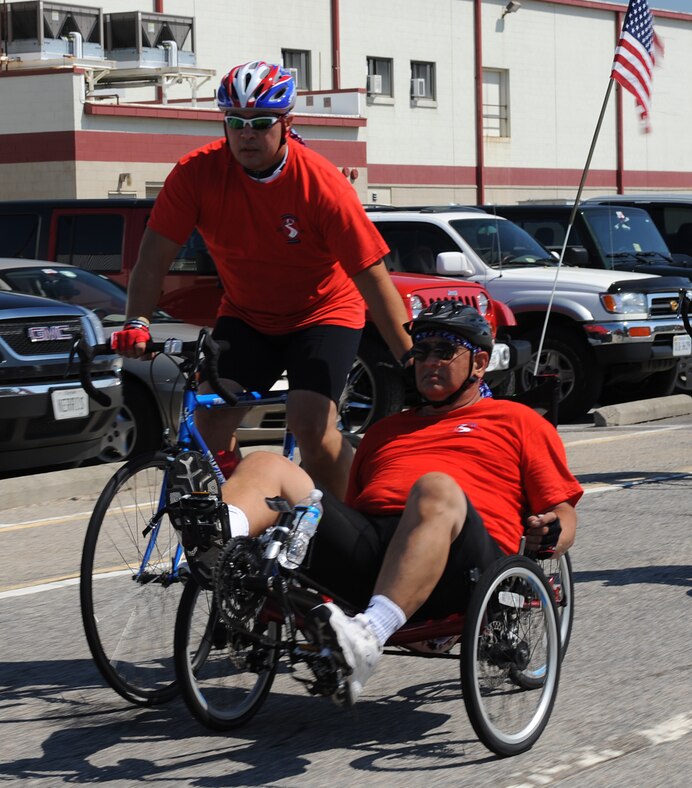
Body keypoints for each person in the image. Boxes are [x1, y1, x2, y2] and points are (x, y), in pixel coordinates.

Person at [203, 300, 581, 706]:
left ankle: (368, 637)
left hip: (464, 563)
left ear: (479, 362)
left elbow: (564, 513)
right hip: (375, 557)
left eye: (443, 351)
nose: (428, 361)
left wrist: (553, 530)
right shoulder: (384, 431)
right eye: (420, 351)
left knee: (434, 487)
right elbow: (351, 506)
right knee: (268, 464)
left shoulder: (517, 420)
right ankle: (215, 545)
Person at [111, 59, 411, 498]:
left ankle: (363, 522)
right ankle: (243, 520)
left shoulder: (321, 185)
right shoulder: (196, 174)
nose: (246, 133)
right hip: (248, 315)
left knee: (311, 427)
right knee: (208, 423)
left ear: (286, 123)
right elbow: (153, 256)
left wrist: (411, 361)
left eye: (261, 122)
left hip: (323, 312)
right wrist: (136, 320)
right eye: (235, 122)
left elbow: (372, 278)